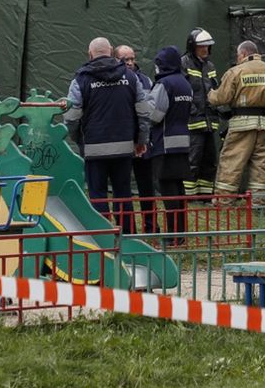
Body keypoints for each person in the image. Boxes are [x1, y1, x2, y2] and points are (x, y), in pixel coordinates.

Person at [63, 37, 145, 230]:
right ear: (110, 52)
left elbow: (71, 117)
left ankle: (103, 238)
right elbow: (143, 110)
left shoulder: (81, 80)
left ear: (90, 54)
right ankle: (128, 235)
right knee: (123, 193)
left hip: (94, 148)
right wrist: (141, 139)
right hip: (124, 147)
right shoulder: (131, 77)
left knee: (97, 194)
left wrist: (80, 140)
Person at [208, 40, 265, 197]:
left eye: (239, 56)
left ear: (243, 54)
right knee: (261, 165)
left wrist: (210, 94)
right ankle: (257, 202)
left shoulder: (236, 72)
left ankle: (225, 201)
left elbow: (222, 97)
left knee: (232, 162)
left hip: (241, 126)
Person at [144, 45, 193, 240]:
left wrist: (142, 106)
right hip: (182, 142)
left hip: (164, 143)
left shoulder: (164, 84)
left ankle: (173, 235)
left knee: (166, 188)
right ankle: (180, 232)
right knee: (179, 188)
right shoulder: (185, 83)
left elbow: (155, 115)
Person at [118, 44, 161, 233]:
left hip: (143, 140)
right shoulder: (116, 80)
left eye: (132, 59)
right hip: (123, 141)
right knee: (123, 187)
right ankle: (128, 230)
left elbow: (151, 109)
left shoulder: (145, 80)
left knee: (147, 187)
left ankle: (151, 227)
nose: (129, 63)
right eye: (125, 60)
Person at [182, 28, 220, 197]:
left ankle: (204, 194)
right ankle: (188, 195)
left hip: (209, 121)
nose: (205, 50)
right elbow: (183, 91)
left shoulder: (209, 65)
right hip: (193, 121)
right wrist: (192, 110)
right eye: (201, 46)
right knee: (193, 158)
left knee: (210, 159)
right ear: (193, 46)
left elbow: (214, 89)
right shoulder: (184, 63)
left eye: (207, 46)